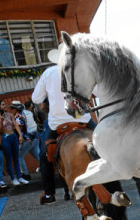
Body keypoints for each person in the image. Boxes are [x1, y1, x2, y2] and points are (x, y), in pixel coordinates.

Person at [32, 48, 94, 204]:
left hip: (58, 123)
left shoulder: (49, 72)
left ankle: (49, 194)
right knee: (106, 141)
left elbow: (35, 98)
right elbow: (98, 92)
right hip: (83, 119)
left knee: (44, 156)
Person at [0, 100, 28, 186]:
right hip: (5, 138)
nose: (5, 106)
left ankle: (19, 176)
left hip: (13, 137)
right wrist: (1, 120)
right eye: (2, 105)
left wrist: (20, 135)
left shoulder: (10, 115)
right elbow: (0, 130)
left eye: (5, 104)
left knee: (16, 158)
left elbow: (15, 125)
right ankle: (13, 178)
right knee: (8, 159)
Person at [10, 100, 39, 181]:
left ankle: (26, 174)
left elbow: (20, 128)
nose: (11, 110)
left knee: (19, 157)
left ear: (16, 108)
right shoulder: (28, 113)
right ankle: (49, 168)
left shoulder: (19, 116)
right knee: (37, 154)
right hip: (35, 137)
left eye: (12, 108)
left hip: (26, 139)